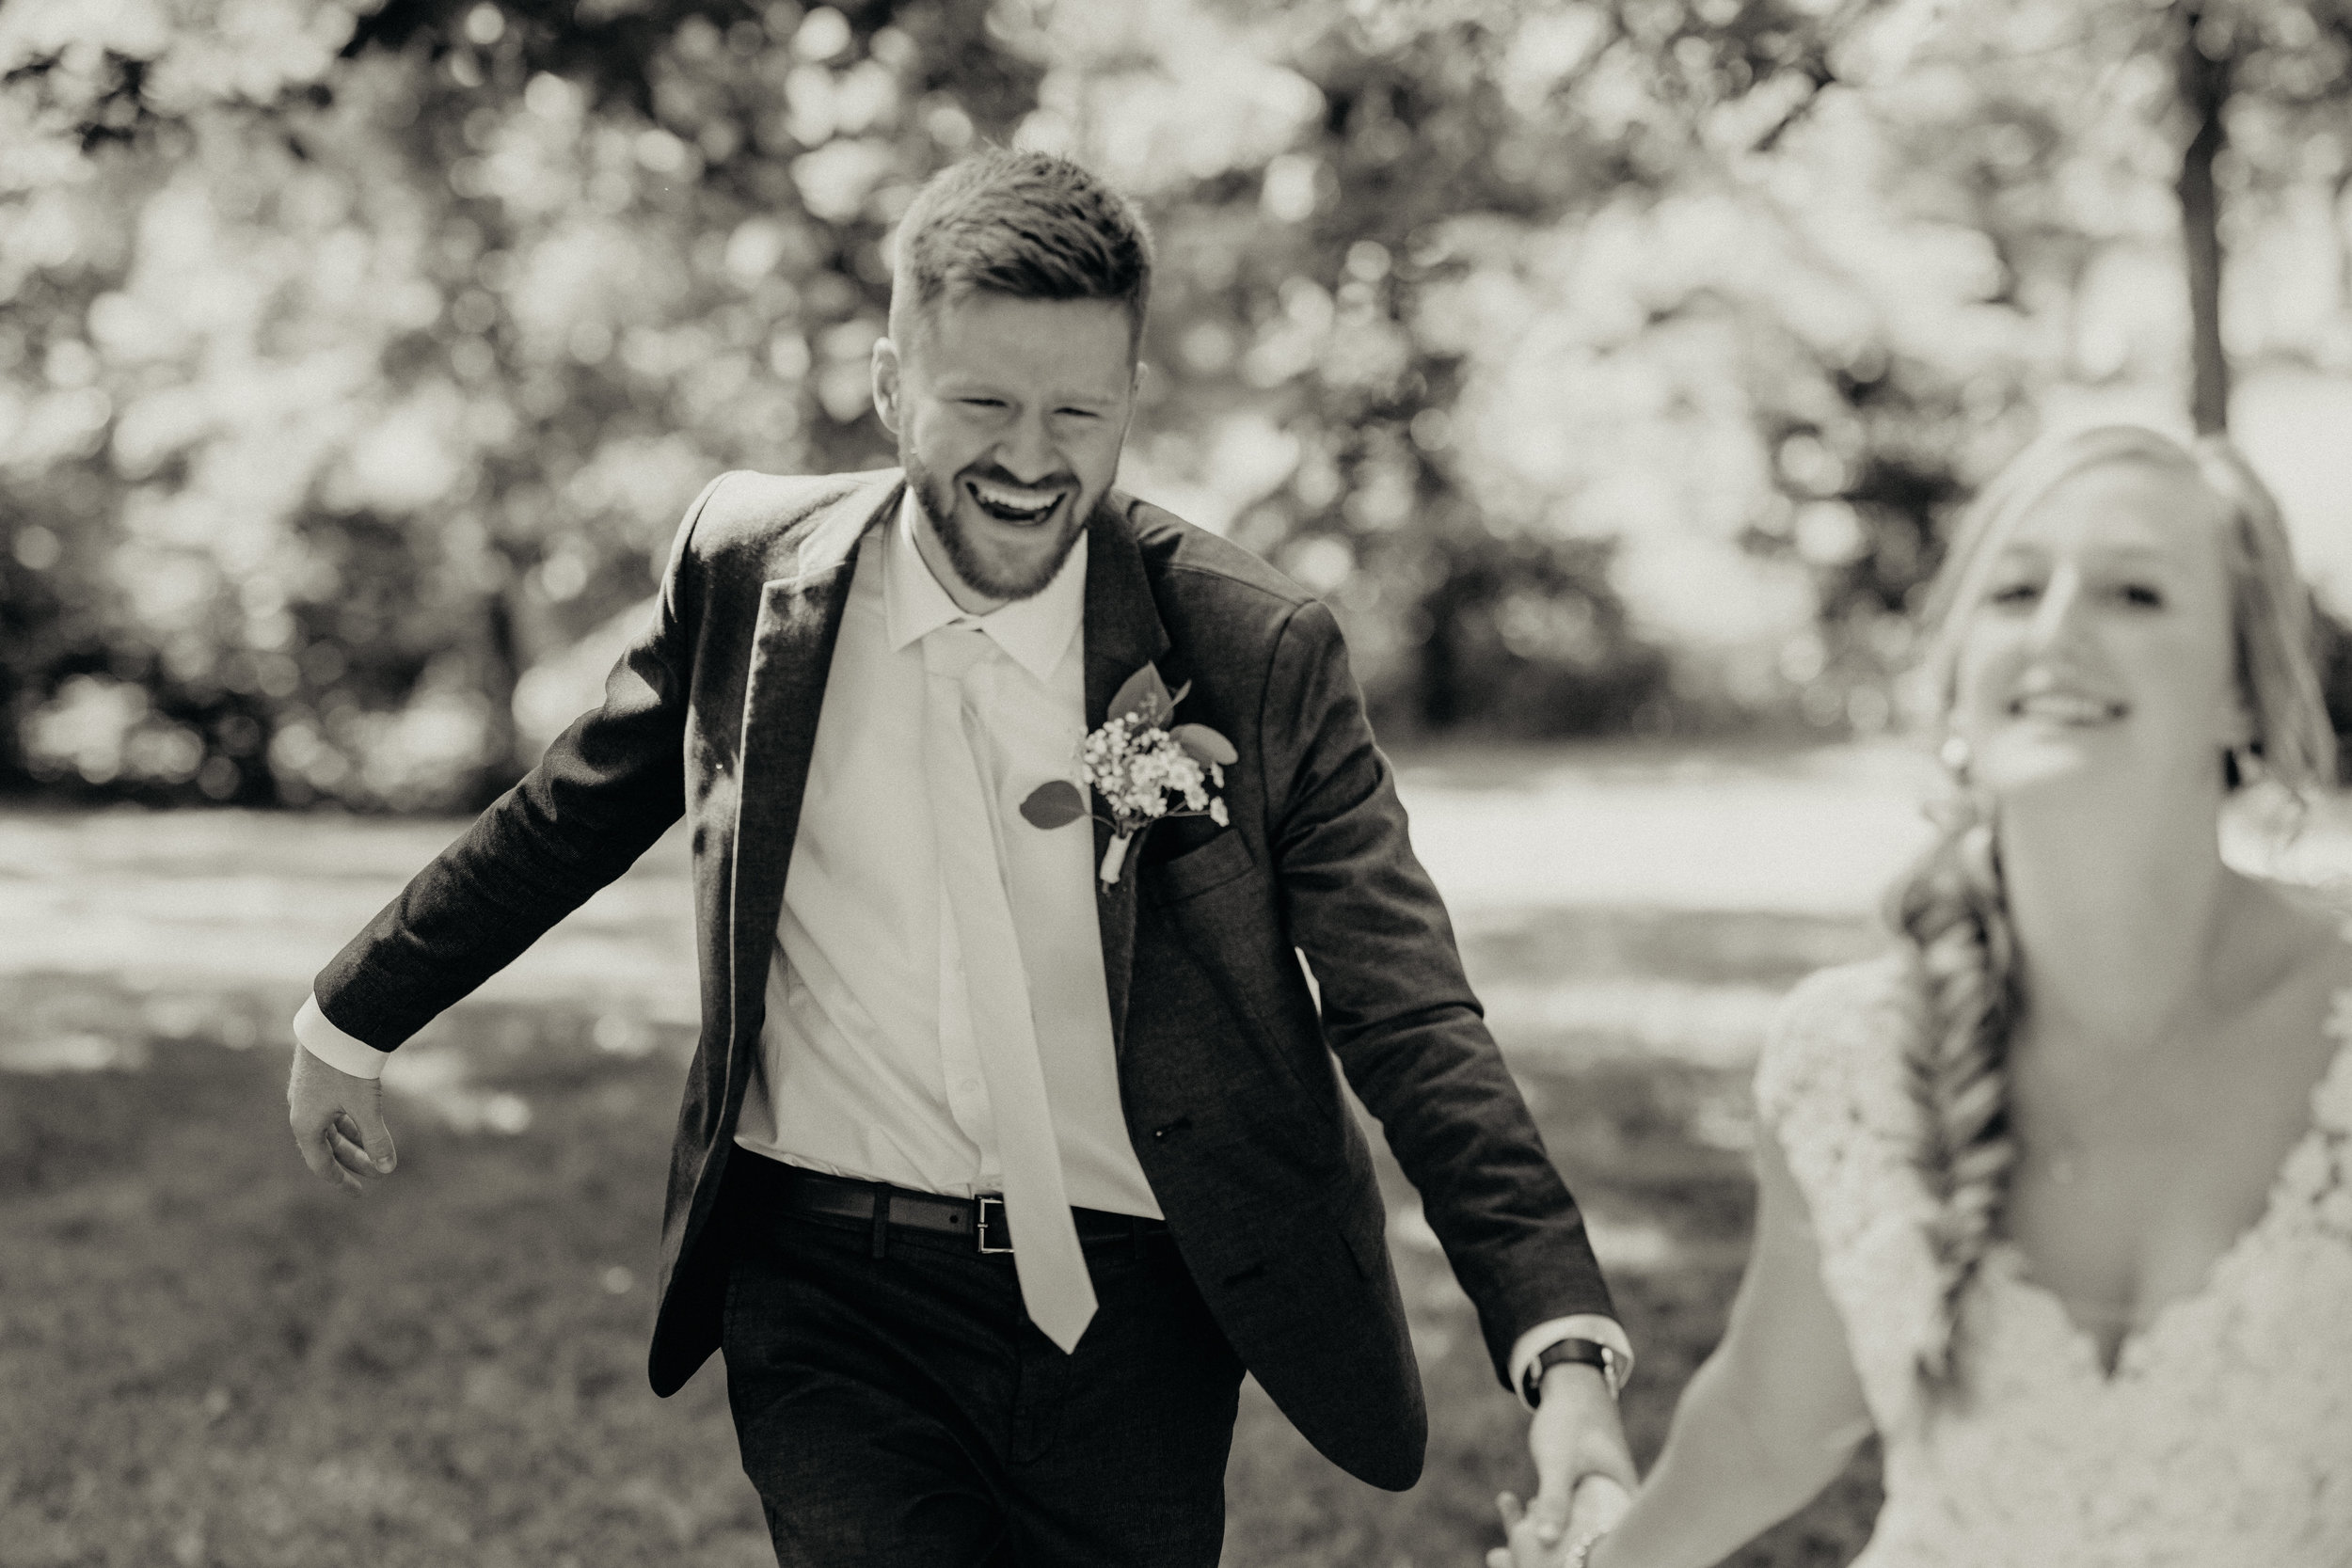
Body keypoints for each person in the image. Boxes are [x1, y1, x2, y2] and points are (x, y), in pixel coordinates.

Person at [282, 148, 1639, 1566]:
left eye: (1079, 411)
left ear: (1130, 406)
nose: (1033, 457)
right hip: (827, 1284)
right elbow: (570, 811)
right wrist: (352, 1012)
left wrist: (1563, 1351)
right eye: (983, 401)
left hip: (1140, 1305)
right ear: (888, 384)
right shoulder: (749, 570)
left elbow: (1408, 1007)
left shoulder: (1255, 647)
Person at [1495, 424, 2352, 1568]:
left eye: (2135, 593)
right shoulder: (1848, 1054)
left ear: (2243, 690)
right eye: (2013, 590)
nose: (2056, 631)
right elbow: (1767, 1416)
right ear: (1954, 684)